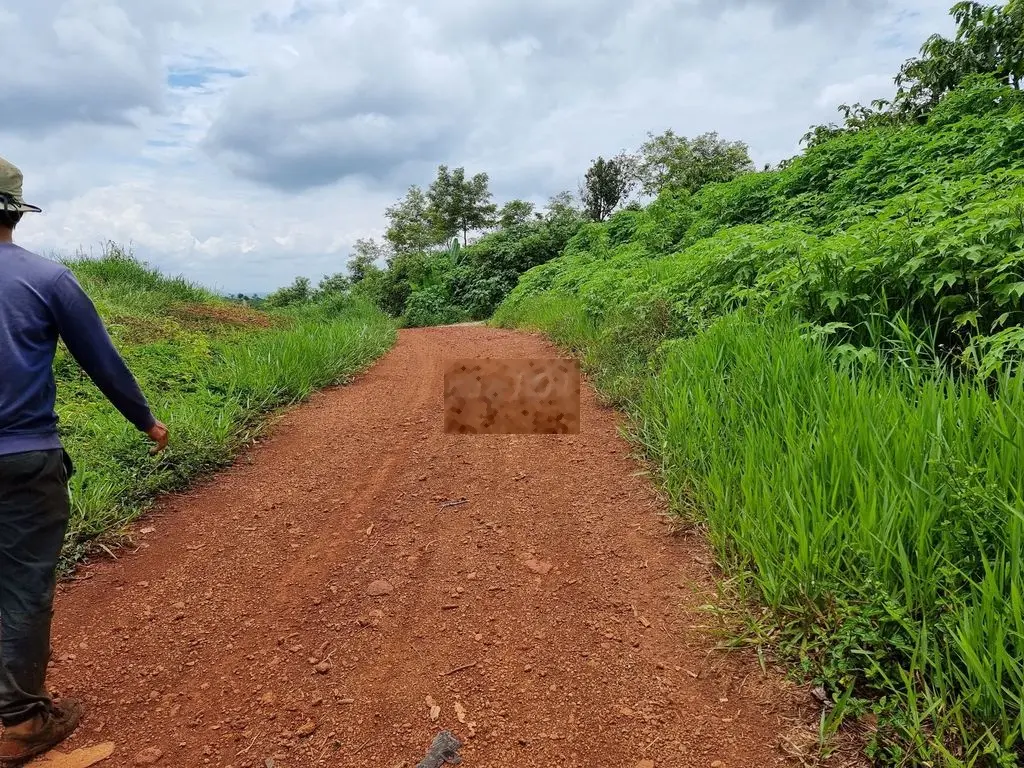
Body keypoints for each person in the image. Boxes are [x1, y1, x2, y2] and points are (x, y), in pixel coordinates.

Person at [0, 157, 168, 764]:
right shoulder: (47, 280)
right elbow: (103, 361)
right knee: (21, 586)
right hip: (23, 458)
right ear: (16, 210)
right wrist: (146, 420)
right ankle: (19, 721)